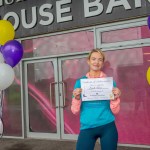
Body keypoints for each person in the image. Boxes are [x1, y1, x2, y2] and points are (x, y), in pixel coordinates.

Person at [71, 48, 121, 150]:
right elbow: (75, 111)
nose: (96, 62)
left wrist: (115, 99)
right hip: (87, 127)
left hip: (107, 126)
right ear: (88, 61)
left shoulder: (109, 83)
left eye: (100, 59)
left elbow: (116, 111)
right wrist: (76, 98)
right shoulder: (80, 83)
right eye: (93, 59)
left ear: (102, 63)